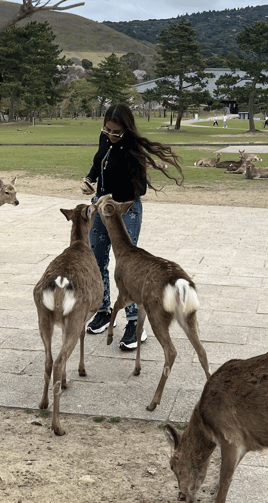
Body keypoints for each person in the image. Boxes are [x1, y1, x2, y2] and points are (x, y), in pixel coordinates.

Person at [80, 104, 185, 350]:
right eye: (107, 130)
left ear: (127, 130)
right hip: (101, 207)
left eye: (116, 132)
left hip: (125, 210)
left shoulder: (133, 151)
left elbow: (140, 190)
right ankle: (105, 310)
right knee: (97, 259)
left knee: (128, 267)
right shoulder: (105, 138)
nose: (110, 135)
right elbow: (99, 162)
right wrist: (89, 179)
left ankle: (134, 323)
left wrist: (113, 200)